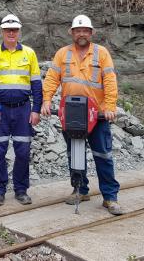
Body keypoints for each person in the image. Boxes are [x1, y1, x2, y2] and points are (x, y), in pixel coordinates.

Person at [41, 15, 122, 215]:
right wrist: (46, 100)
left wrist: (110, 106)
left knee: (103, 155)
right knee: (75, 155)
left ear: (91, 33)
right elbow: (52, 79)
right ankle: (80, 190)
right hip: (71, 114)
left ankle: (110, 197)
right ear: (72, 33)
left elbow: (110, 80)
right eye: (78, 30)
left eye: (85, 30)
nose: (82, 33)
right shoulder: (62, 54)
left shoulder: (101, 53)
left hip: (98, 114)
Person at [0, 14, 42, 206]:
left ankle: (21, 190)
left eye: (14, 29)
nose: (11, 33)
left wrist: (36, 109)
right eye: (8, 30)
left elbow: (37, 84)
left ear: (19, 31)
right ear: (2, 32)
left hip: (23, 109)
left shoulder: (29, 54)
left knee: (23, 151)